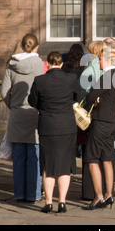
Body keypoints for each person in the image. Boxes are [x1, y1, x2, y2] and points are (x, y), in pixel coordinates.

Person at [28, 51, 81, 213]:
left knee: (48, 165)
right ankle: (62, 202)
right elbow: (78, 97)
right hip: (67, 127)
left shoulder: (40, 80)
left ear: (48, 64)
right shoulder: (71, 79)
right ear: (61, 64)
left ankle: (49, 202)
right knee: (65, 166)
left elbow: (33, 101)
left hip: (47, 126)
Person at [0, 33, 44, 203]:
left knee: (18, 157)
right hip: (35, 114)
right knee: (34, 156)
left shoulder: (12, 65)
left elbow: (4, 92)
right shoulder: (40, 65)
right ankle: (33, 194)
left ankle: (19, 193)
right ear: (37, 47)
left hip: (17, 114)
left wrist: (15, 106)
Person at [83, 47, 115, 210]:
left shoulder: (106, 77)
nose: (98, 61)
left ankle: (98, 196)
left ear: (106, 60)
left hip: (100, 121)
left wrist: (96, 99)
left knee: (91, 158)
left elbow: (91, 97)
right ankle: (109, 194)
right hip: (112, 121)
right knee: (107, 159)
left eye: (99, 59)